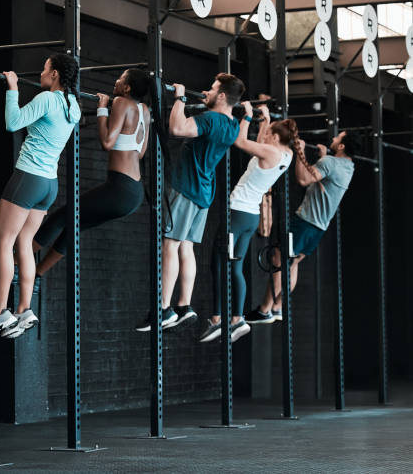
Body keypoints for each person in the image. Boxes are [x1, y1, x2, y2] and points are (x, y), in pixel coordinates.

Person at [0, 53, 81, 339]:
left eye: (44, 68)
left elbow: (13, 123)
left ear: (55, 75)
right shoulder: (73, 105)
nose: (40, 73)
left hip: (29, 177)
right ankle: (24, 308)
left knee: (4, 241)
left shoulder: (47, 99)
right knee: (24, 241)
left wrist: (12, 88)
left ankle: (0, 312)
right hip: (49, 184)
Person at [135, 73, 246, 332]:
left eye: (212, 88)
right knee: (186, 247)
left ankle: (163, 310)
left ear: (221, 96)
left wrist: (180, 97)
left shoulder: (211, 119)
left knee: (170, 246)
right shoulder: (232, 125)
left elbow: (177, 128)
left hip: (187, 189)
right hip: (204, 194)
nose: (206, 92)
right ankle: (184, 305)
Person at [31, 69, 150, 281]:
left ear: (127, 87)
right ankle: (37, 273)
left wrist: (103, 109)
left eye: (120, 78)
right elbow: (140, 152)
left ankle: (12, 260)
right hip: (134, 194)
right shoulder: (144, 110)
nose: (116, 80)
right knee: (76, 224)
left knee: (61, 217)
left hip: (119, 189)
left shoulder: (122, 103)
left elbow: (107, 143)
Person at [246, 130, 362, 324]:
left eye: (337, 138)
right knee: (293, 263)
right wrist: (324, 156)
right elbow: (328, 174)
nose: (333, 138)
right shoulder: (348, 166)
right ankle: (276, 308)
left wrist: (300, 151)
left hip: (306, 222)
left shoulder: (330, 163)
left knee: (279, 260)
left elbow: (303, 179)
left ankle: (264, 309)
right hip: (318, 228)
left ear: (341, 146)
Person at [200, 112, 297, 343]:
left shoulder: (271, 151)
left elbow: (240, 141)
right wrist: (264, 122)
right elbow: (263, 144)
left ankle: (217, 319)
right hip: (251, 216)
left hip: (237, 213)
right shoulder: (287, 154)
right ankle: (236, 318)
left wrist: (246, 117)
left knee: (218, 264)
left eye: (269, 133)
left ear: (275, 137)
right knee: (235, 267)